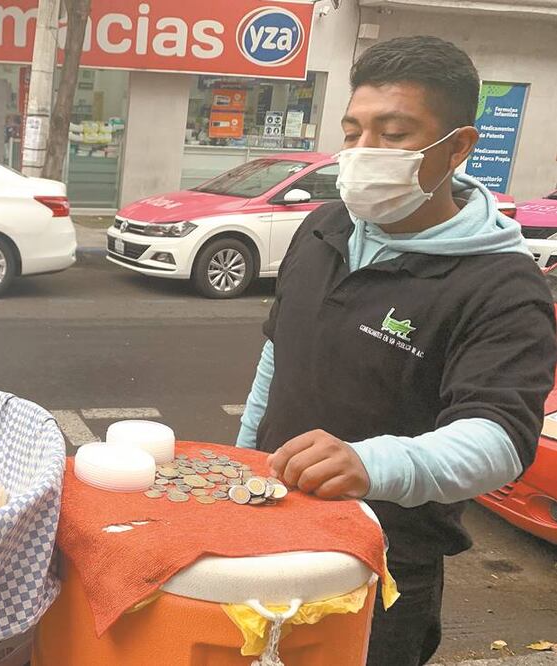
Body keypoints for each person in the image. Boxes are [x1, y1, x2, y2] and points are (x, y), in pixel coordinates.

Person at [236, 36, 556, 666]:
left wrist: (368, 462)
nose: (362, 154)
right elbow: (280, 355)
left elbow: (500, 439)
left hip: (384, 565)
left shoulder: (502, 284)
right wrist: (245, 457)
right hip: (274, 523)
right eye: (353, 132)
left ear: (458, 147)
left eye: (394, 133)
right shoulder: (322, 227)